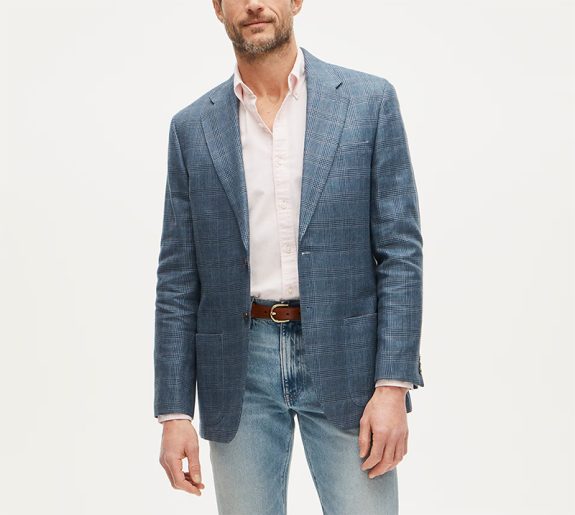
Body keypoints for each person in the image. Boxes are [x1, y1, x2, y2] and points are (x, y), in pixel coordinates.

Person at [154, 1, 424, 513]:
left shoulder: (368, 102)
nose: (254, 4)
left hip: (350, 362)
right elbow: (177, 279)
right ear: (218, 8)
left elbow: (400, 253)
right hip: (238, 370)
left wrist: (393, 384)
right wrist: (174, 412)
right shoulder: (191, 128)